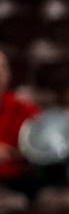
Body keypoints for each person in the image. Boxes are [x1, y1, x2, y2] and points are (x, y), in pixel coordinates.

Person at [0, 51, 41, 185]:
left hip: (17, 181)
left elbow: (41, 146)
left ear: (9, 74)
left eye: (3, 67)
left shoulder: (23, 107)